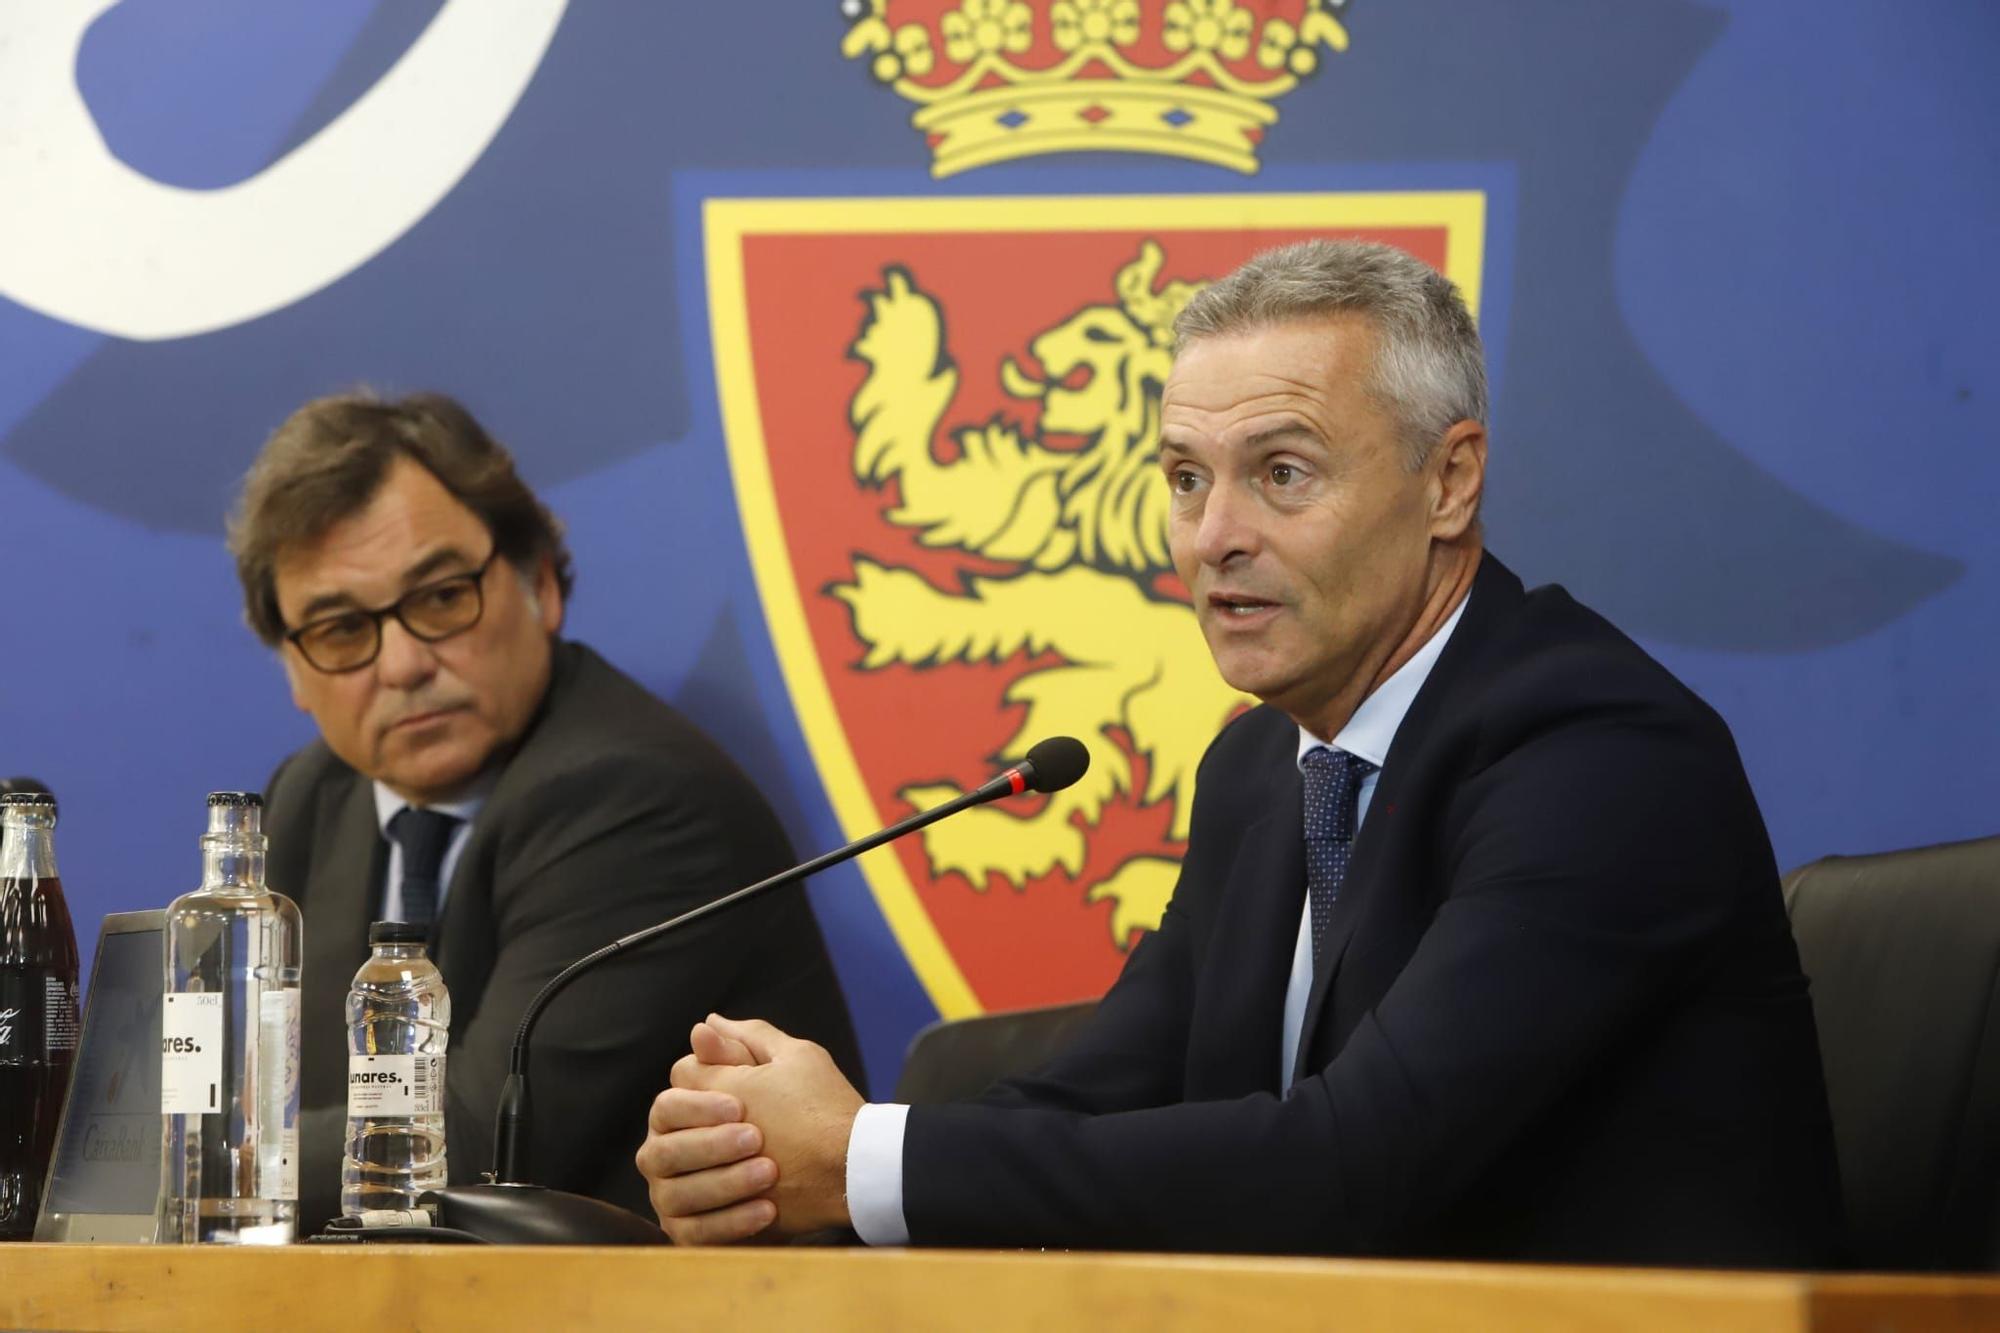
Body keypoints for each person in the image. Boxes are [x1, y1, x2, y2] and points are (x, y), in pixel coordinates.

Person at [636, 241, 1844, 1266]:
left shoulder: (1597, 757)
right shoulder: (1266, 767)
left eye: (1280, 473)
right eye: (1183, 478)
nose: (1213, 537)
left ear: (1449, 482)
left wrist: (859, 1162)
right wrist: (774, 1159)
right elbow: (1102, 1087)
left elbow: (1358, 1165)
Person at [229, 392, 860, 1233]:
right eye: (343, 630)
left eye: (442, 596)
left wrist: (192, 1154)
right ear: (295, 674)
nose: (406, 663)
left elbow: (465, 1144)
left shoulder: (637, 795)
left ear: (539, 584)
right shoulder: (311, 800)